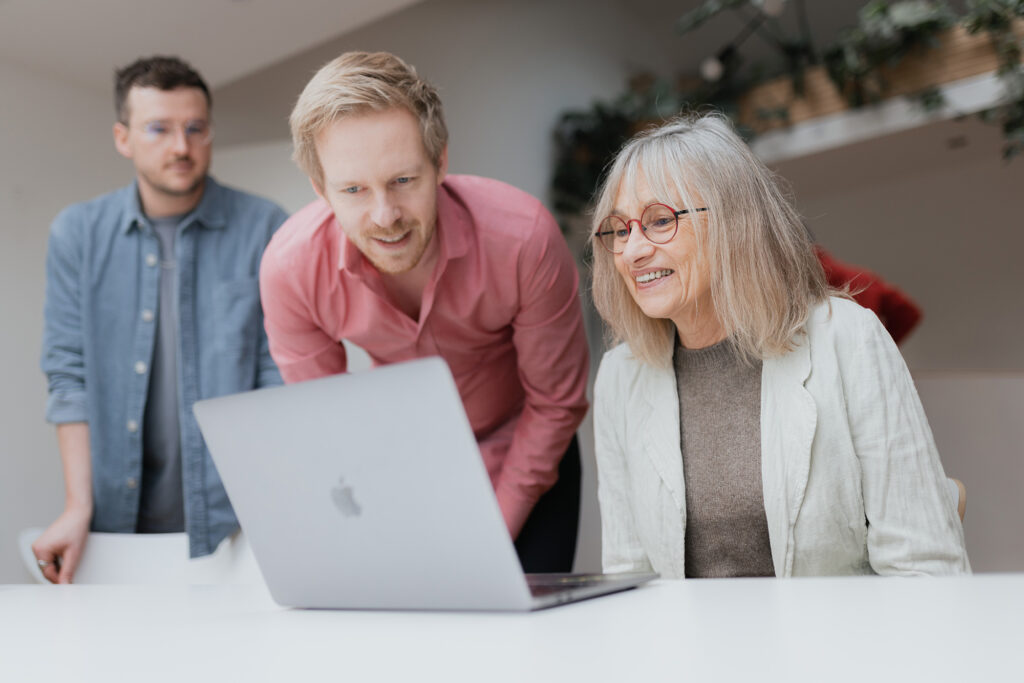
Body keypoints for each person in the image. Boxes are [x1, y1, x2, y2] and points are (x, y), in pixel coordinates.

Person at [590, 113, 969, 578]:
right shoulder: (619, 376)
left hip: (838, 648)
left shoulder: (849, 338)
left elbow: (923, 565)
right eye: (620, 230)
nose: (631, 252)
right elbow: (629, 576)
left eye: (659, 220)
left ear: (733, 222)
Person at [259, 51, 589, 572]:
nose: (385, 216)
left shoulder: (524, 238)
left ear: (440, 162)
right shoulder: (289, 269)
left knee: (525, 642)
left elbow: (555, 402)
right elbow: (325, 423)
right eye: (353, 190)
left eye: (403, 181)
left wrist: (491, 537)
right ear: (321, 189)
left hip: (530, 445)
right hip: (404, 463)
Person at [34, 56, 288, 583]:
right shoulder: (77, 234)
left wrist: (276, 502)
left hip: (236, 524)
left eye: (195, 128)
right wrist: (77, 505)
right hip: (112, 524)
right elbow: (68, 376)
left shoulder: (265, 226)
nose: (181, 147)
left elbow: (277, 376)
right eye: (160, 129)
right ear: (123, 138)